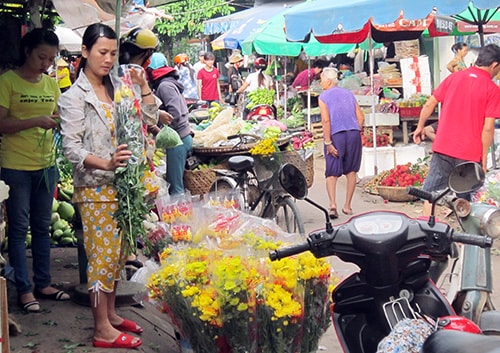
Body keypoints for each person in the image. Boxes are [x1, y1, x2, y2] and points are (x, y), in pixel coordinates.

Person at [58, 23, 159, 349]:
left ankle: (111, 314)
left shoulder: (120, 86)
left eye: (113, 53)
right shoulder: (74, 97)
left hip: (123, 189)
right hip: (95, 190)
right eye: (101, 52)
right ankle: (101, 328)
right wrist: (106, 163)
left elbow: (149, 119)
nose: (107, 59)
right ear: (85, 52)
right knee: (100, 260)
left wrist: (143, 87)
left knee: (116, 257)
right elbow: (71, 148)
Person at [0, 28, 70, 314]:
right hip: (15, 165)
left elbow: (57, 115)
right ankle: (24, 289)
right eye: (42, 56)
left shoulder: (51, 84)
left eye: (51, 59)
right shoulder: (7, 82)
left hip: (46, 165)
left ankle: (44, 283)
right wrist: (35, 121)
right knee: (18, 229)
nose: (46, 64)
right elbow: (1, 124)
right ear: (27, 51)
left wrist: (58, 121)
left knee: (42, 227)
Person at [413, 44, 500, 217]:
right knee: (466, 198)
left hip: (443, 146)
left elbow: (430, 103)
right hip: (469, 153)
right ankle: (466, 239)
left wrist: (420, 126)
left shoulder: (454, 77)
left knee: (430, 194)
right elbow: (488, 128)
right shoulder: (492, 90)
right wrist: (483, 158)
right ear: (494, 65)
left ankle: (424, 231)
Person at [319, 67, 364, 219]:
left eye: (322, 79)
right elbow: (361, 118)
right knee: (351, 171)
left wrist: (328, 142)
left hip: (336, 135)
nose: (321, 83)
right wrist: (356, 131)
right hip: (353, 134)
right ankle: (347, 206)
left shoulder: (324, 96)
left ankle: (332, 205)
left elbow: (326, 120)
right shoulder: (348, 94)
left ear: (329, 81)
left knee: (332, 173)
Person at [149, 61, 193, 195]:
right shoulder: (170, 84)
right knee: (176, 181)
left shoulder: (164, 86)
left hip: (178, 139)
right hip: (182, 137)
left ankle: (179, 215)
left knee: (175, 186)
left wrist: (161, 122)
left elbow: (175, 113)